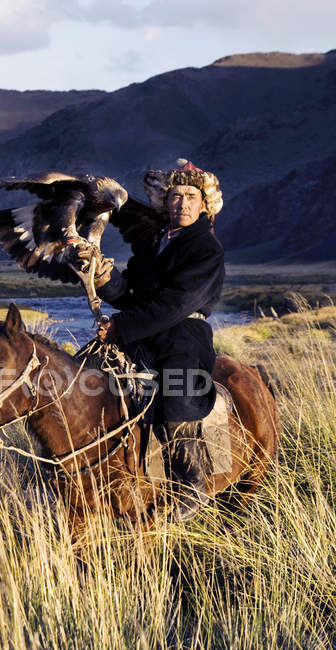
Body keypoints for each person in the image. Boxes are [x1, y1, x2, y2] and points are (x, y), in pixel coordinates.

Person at [93, 159, 225, 520]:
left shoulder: (206, 249)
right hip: (145, 330)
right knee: (88, 370)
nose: (182, 203)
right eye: (176, 195)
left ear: (203, 204)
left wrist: (122, 326)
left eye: (190, 196)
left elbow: (176, 304)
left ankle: (191, 484)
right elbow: (132, 293)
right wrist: (103, 277)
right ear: (165, 202)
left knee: (176, 393)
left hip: (184, 336)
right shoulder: (155, 243)